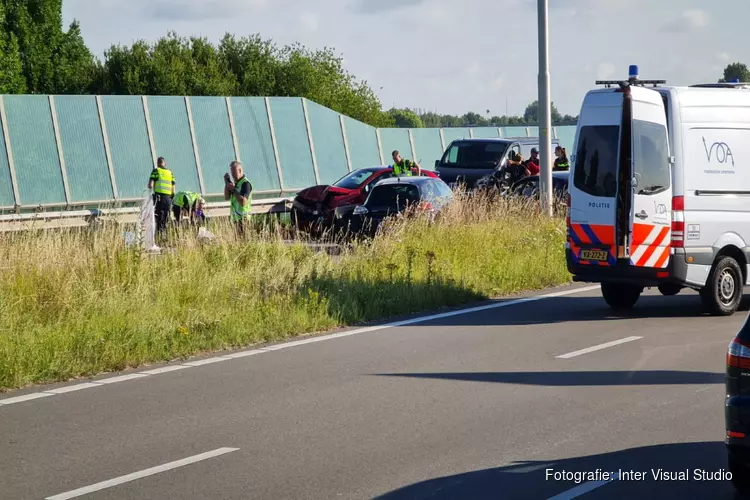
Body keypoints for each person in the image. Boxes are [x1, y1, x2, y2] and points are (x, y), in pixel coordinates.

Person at [147, 157, 175, 236]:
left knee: (159, 217)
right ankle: (165, 236)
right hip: (168, 198)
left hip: (159, 198)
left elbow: (150, 185)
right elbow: (173, 188)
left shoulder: (156, 171)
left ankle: (159, 236)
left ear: (158, 163)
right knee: (166, 218)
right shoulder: (170, 173)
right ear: (164, 163)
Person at [224, 160, 252, 237]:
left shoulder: (245, 184)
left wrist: (233, 190)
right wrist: (227, 184)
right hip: (235, 219)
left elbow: (243, 202)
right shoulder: (236, 184)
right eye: (231, 172)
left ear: (240, 170)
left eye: (234, 172)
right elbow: (226, 197)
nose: (232, 175)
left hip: (244, 220)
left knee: (244, 243)